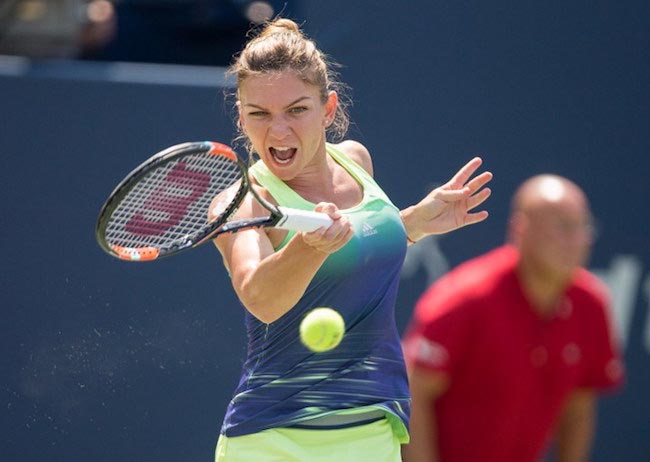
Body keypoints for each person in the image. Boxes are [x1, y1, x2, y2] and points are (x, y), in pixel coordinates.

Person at [209, 18, 492, 462]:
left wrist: (414, 222)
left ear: (327, 109)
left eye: (297, 110)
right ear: (241, 117)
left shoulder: (356, 160)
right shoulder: (243, 201)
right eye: (259, 114)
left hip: (374, 434)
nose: (278, 132)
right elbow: (259, 297)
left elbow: (356, 254)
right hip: (274, 441)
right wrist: (307, 247)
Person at [401, 174, 625, 462]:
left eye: (583, 226)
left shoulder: (591, 305)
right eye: (563, 227)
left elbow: (578, 407)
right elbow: (415, 394)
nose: (577, 240)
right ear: (521, 229)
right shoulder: (465, 298)